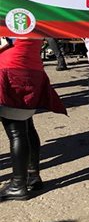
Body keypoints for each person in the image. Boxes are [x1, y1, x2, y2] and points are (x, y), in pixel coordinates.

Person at [0, 38, 66, 200]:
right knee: (27, 126)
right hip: (31, 68)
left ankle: (18, 184)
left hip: (11, 66)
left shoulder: (7, 12)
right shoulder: (36, 13)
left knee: (17, 131)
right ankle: (32, 176)